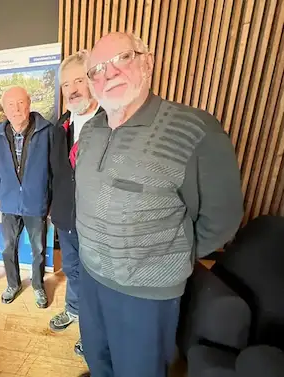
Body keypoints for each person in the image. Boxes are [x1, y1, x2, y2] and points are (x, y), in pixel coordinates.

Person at [76, 32, 244, 377]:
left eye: (121, 59)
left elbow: (222, 220)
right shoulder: (90, 131)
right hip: (91, 278)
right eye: (96, 70)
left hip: (145, 295)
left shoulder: (195, 129)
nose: (108, 75)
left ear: (146, 61)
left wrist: (164, 257)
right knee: (97, 361)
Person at [49, 50, 102, 355]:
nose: (72, 89)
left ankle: (92, 330)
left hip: (98, 221)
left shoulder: (110, 121)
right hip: (67, 219)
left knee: (95, 276)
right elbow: (57, 173)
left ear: (93, 80)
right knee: (72, 269)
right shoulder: (61, 125)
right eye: (66, 84)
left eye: (79, 80)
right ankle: (73, 310)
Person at [0, 86, 52, 308]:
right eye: (10, 105)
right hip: (9, 203)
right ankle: (13, 284)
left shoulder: (47, 131)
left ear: (29, 104)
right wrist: (4, 192)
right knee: (8, 248)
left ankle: (37, 285)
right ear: (4, 109)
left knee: (38, 249)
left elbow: (53, 169)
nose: (16, 109)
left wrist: (50, 200)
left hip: (36, 202)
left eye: (20, 103)